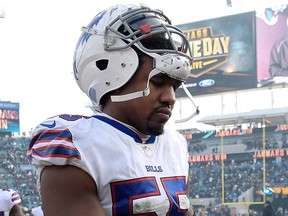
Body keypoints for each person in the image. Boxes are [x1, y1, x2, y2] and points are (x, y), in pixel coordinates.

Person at [27, 3, 198, 216]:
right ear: (113, 73)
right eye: (158, 81)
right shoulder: (78, 146)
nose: (170, 98)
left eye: (175, 87)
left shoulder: (175, 146)